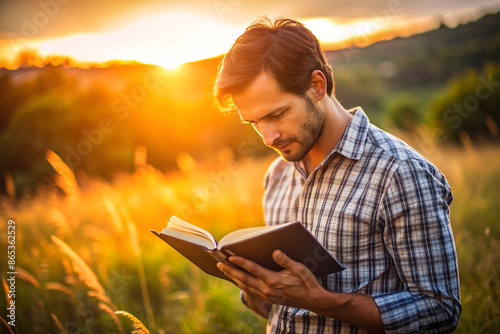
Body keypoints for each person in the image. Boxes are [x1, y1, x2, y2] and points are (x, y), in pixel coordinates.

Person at [213, 17, 461, 333]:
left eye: (276, 114)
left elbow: (441, 310)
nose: (268, 137)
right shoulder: (276, 175)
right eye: (254, 123)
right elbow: (281, 311)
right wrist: (256, 288)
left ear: (317, 86)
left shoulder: (400, 173)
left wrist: (320, 300)